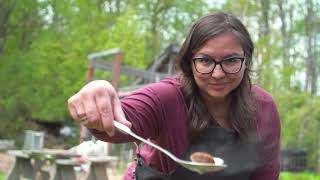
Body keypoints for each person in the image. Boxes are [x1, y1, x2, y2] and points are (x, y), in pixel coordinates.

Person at [68, 12, 281, 180]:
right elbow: (120, 122)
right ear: (189, 62)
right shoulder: (167, 96)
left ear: (246, 61)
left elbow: (266, 174)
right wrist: (99, 94)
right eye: (205, 61)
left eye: (231, 61)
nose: (218, 73)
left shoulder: (263, 108)